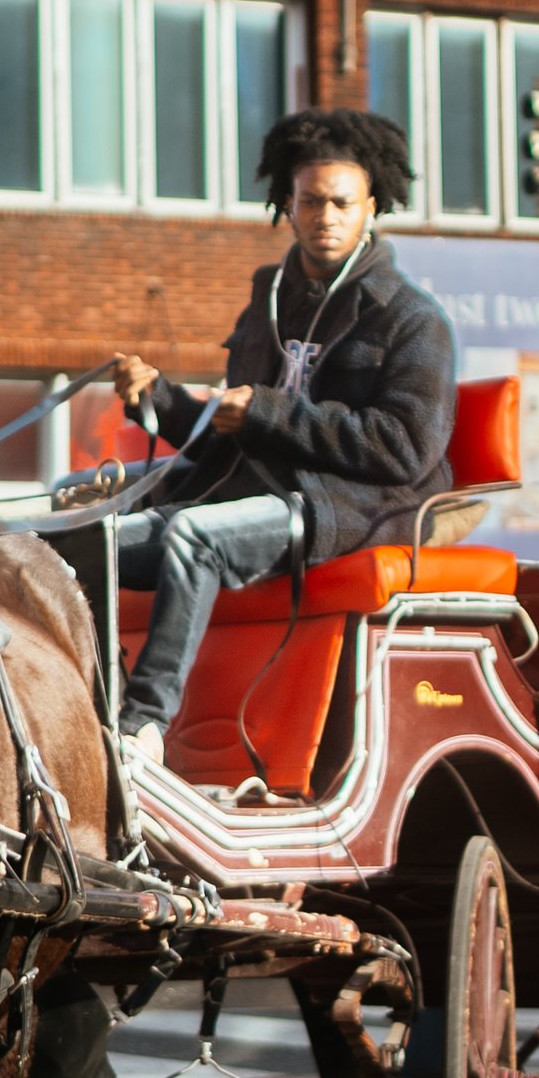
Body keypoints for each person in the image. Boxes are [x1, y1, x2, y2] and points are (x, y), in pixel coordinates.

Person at [108, 108, 456, 765]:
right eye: (310, 201)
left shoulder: (412, 320)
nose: (325, 216)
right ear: (287, 207)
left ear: (371, 206)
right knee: (89, 542)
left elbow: (405, 449)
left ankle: (143, 728)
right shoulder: (267, 303)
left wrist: (270, 413)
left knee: (194, 536)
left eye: (341, 203)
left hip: (346, 507)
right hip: (246, 490)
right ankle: (90, 708)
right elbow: (221, 436)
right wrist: (155, 398)